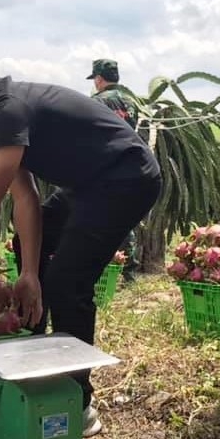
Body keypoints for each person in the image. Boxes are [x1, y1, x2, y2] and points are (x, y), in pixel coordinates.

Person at [0, 35, 162, 437]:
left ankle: (78, 402)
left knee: (68, 284)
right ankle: (34, 349)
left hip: (125, 179)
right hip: (87, 183)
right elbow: (25, 198)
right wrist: (27, 274)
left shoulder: (8, 109)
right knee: (30, 247)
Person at [87, 58, 141, 282]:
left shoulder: (97, 101)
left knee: (98, 216)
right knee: (125, 218)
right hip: (131, 164)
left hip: (104, 166)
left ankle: (101, 268)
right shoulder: (131, 102)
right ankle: (129, 271)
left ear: (99, 79)